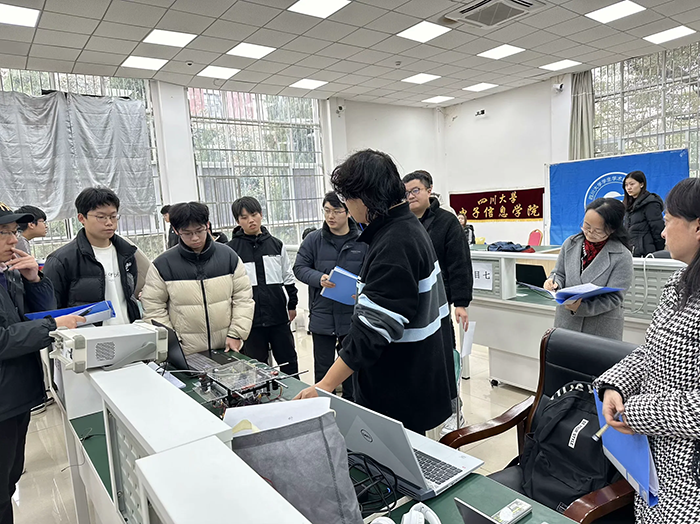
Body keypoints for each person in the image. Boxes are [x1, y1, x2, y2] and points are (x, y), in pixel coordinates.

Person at [295, 149, 455, 435]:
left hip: (400, 386)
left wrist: (325, 385)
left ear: (364, 198)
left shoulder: (395, 242)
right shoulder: (405, 227)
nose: (346, 207)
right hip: (415, 374)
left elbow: (372, 331)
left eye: (347, 199)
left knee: (394, 459)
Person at [595, 177, 700, 523]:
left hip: (689, 474)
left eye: (668, 221)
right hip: (656, 462)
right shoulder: (678, 284)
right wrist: (616, 385)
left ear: (697, 227)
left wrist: (636, 411)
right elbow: (651, 351)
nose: (663, 233)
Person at [0, 203, 84, 524]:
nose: (13, 240)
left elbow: (38, 313)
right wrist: (52, 326)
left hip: (17, 393)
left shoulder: (8, 274)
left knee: (10, 478)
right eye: (3, 233)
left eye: (13, 232)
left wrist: (34, 279)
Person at [404, 170, 473, 431]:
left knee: (444, 359)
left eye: (415, 190)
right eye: (406, 193)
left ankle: (454, 412)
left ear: (429, 190)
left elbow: (459, 263)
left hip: (440, 304)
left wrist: (461, 302)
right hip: (410, 305)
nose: (411, 196)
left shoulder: (446, 221)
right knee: (417, 361)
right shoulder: (403, 222)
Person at [141, 202, 254, 356]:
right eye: (187, 233)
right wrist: (173, 343)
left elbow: (243, 299)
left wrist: (236, 334)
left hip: (227, 347)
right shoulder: (163, 265)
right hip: (185, 353)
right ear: (176, 230)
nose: (195, 238)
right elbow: (153, 308)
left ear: (207, 225)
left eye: (199, 231)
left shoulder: (229, 257)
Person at [294, 191, 367, 401]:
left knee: (352, 370)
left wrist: (360, 287)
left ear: (348, 212)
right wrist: (319, 278)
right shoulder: (313, 240)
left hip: (352, 316)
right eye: (326, 211)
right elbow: (299, 267)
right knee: (323, 372)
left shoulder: (363, 240)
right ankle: (324, 410)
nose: (330, 216)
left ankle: (352, 409)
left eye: (336, 211)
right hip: (322, 315)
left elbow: (372, 273)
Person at [43, 187, 142, 325]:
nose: (109, 222)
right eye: (101, 217)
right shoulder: (61, 260)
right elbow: (52, 308)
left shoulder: (126, 253)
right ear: (81, 218)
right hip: (89, 335)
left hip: (128, 330)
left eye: (113, 216)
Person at [227, 197, 299, 376]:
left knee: (289, 362)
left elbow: (287, 277)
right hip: (250, 320)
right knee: (256, 367)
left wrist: (292, 304)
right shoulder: (231, 250)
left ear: (261, 214)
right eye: (244, 217)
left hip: (278, 316)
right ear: (238, 221)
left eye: (254, 214)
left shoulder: (276, 245)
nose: (251, 220)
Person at [544, 198, 633, 340]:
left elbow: (615, 297)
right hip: (566, 323)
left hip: (600, 328)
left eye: (597, 230)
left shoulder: (622, 256)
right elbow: (559, 273)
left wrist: (582, 307)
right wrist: (553, 282)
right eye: (586, 226)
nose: (590, 233)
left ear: (612, 229)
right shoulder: (570, 244)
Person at [622, 170, 665, 257]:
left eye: (632, 184)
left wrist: (660, 252)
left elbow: (657, 228)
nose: (628, 188)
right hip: (630, 252)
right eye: (626, 185)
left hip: (647, 254)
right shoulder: (627, 205)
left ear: (641, 184)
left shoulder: (651, 203)